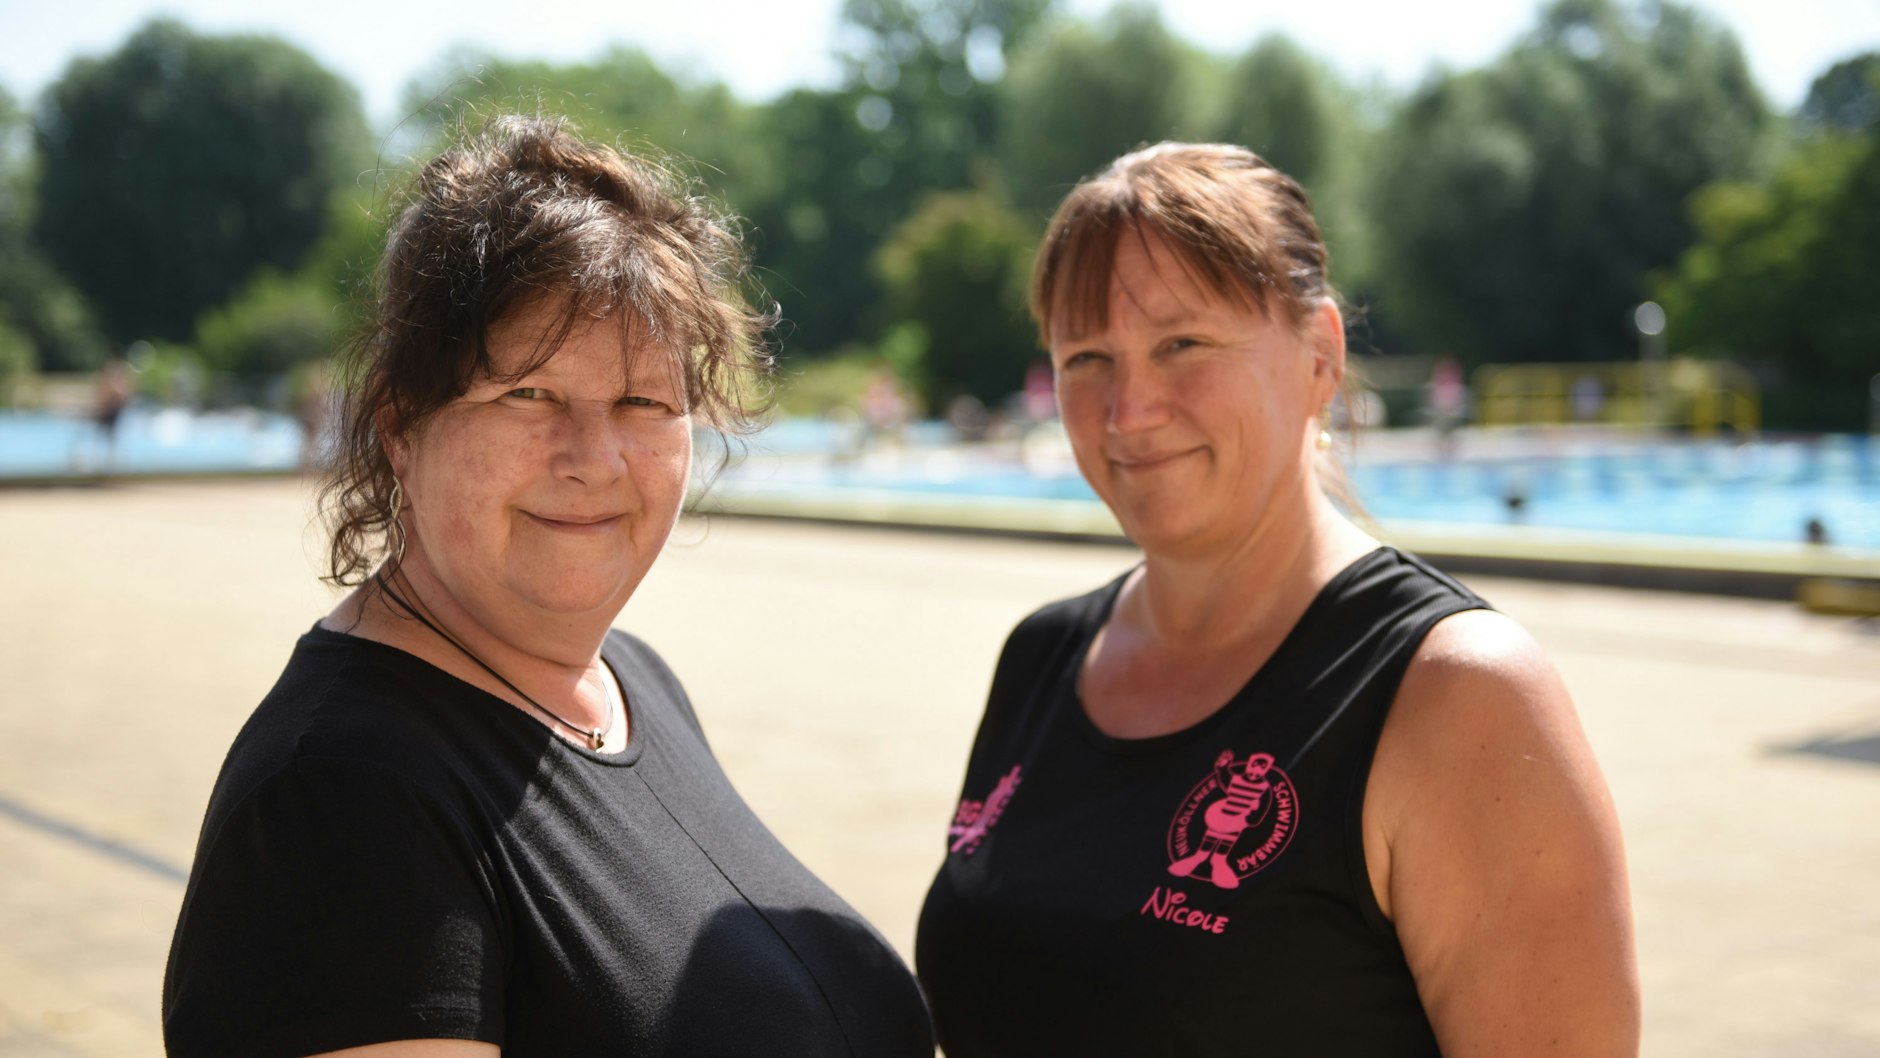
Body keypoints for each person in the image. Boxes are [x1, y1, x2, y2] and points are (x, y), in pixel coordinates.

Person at [163, 115, 933, 1058]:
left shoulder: (629, 685)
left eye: (644, 402)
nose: (594, 458)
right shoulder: (339, 800)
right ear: (403, 430)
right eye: (528, 394)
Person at [916, 144, 1638, 1056]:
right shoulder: (1042, 656)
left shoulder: (1456, 696)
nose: (1128, 408)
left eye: (1182, 343)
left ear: (1320, 357)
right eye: (1087, 357)